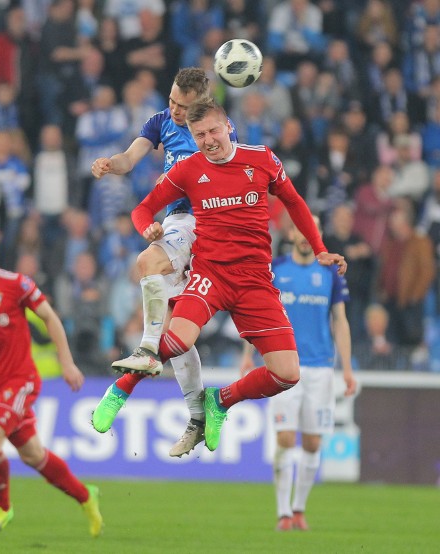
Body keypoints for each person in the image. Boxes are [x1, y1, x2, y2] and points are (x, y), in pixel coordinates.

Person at [120, 97, 347, 455]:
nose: (208, 139)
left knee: (287, 374)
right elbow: (142, 208)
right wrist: (147, 226)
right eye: (199, 135)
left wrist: (319, 247)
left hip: (256, 280)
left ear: (228, 127)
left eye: (213, 130)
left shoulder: (262, 159)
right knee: (178, 339)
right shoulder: (189, 169)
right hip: (211, 273)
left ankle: (219, 400)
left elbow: (295, 202)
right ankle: (121, 387)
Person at [90, 67, 235, 457]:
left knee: (147, 263)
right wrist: (110, 164)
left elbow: (229, 177)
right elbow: (129, 157)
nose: (173, 110)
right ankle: (197, 417)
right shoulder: (160, 122)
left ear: (202, 106)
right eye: (171, 100)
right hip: (176, 221)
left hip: (206, 223)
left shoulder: (217, 132)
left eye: (183, 106)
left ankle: (145, 352)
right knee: (177, 328)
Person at [0, 221, 102, 538]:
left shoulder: (17, 284)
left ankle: (2, 507)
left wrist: (66, 362)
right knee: (33, 454)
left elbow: (50, 318)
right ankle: (86, 496)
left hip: (22, 380)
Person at [240, 215, 356, 532]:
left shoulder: (330, 272)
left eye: (312, 231)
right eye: (301, 230)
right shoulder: (276, 269)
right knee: (286, 438)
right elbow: (256, 312)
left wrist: (346, 367)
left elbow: (340, 321)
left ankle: (299, 508)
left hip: (320, 368)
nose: (306, 236)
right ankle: (283, 513)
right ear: (292, 233)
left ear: (318, 234)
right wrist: (248, 355)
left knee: (313, 444)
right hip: (281, 365)